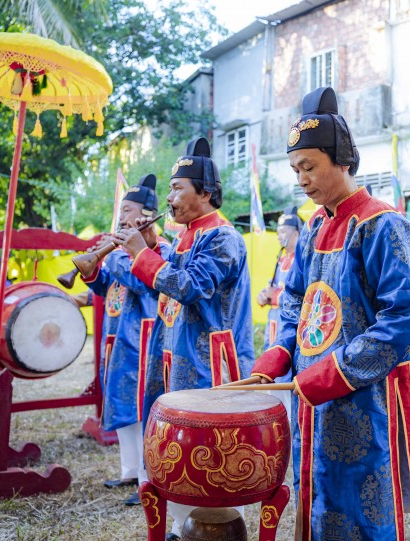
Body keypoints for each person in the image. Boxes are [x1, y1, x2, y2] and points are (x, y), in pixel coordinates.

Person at [250, 87, 410, 540]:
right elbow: (296, 302)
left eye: (309, 167)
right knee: (320, 490)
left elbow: (403, 317)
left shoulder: (382, 223)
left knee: (371, 499)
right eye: (295, 170)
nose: (301, 180)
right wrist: (277, 356)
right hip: (314, 392)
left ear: (343, 160)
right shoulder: (313, 228)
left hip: (370, 395)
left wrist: (332, 373)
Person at [113, 137, 254, 541]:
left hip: (210, 360)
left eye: (178, 188)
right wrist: (155, 247)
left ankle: (217, 525)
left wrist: (143, 254)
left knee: (211, 446)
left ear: (206, 193)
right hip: (181, 354)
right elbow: (175, 266)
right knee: (181, 442)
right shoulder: (191, 234)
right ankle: (183, 525)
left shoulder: (222, 236)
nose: (170, 197)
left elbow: (191, 285)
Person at [79, 174, 166, 506]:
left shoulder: (159, 247)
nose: (121, 215)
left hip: (141, 340)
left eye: (127, 209)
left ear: (145, 213)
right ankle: (130, 469)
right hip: (117, 336)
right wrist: (91, 272)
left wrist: (112, 255)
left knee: (142, 410)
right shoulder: (119, 248)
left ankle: (148, 479)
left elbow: (144, 282)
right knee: (122, 405)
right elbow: (108, 288)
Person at [255, 205, 301, 422]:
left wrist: (276, 297)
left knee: (286, 378)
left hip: (289, 329)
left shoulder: (301, 260)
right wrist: (264, 296)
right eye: (279, 232)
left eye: (284, 232)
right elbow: (272, 286)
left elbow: (301, 296)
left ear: (297, 233)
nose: (280, 236)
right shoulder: (280, 258)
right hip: (273, 327)